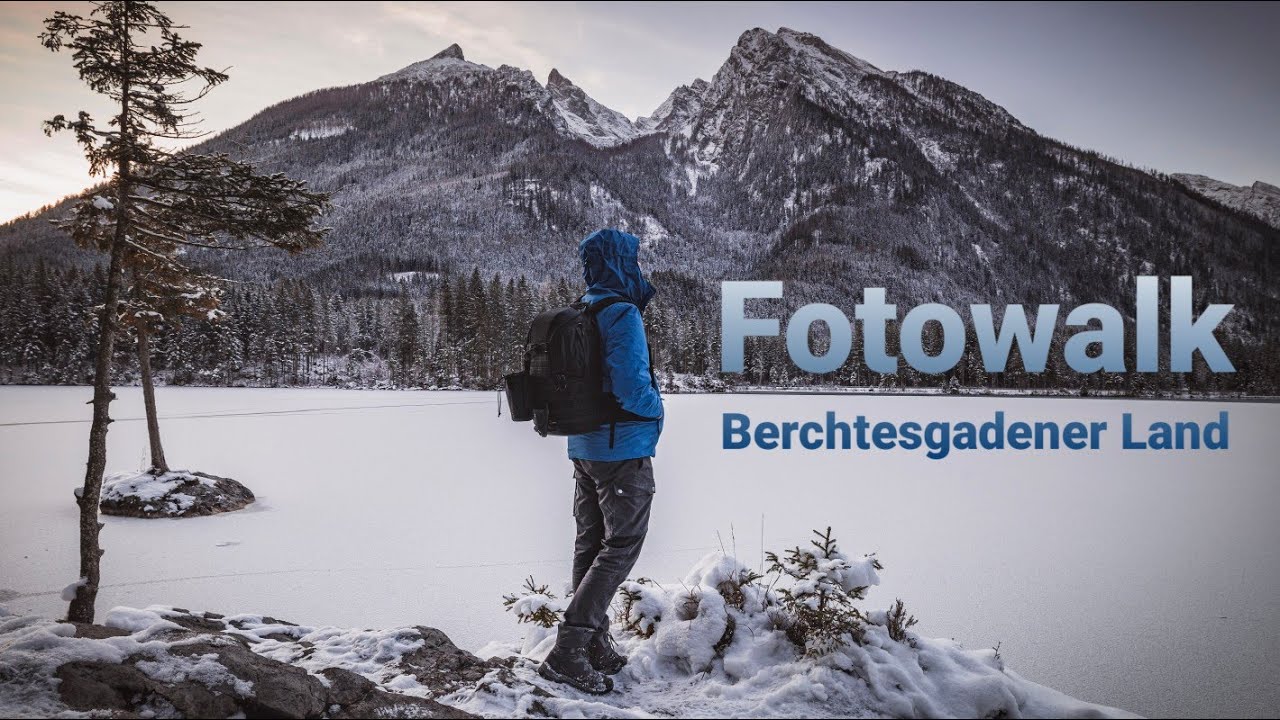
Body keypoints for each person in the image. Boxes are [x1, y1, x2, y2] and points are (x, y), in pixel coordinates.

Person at [537, 229, 663, 695]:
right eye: (633, 260)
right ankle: (569, 650)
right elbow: (632, 388)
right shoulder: (621, 311)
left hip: (585, 447)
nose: (638, 268)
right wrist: (658, 408)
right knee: (622, 544)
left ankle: (592, 641)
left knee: (590, 544)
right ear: (621, 263)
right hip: (622, 448)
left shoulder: (584, 306)